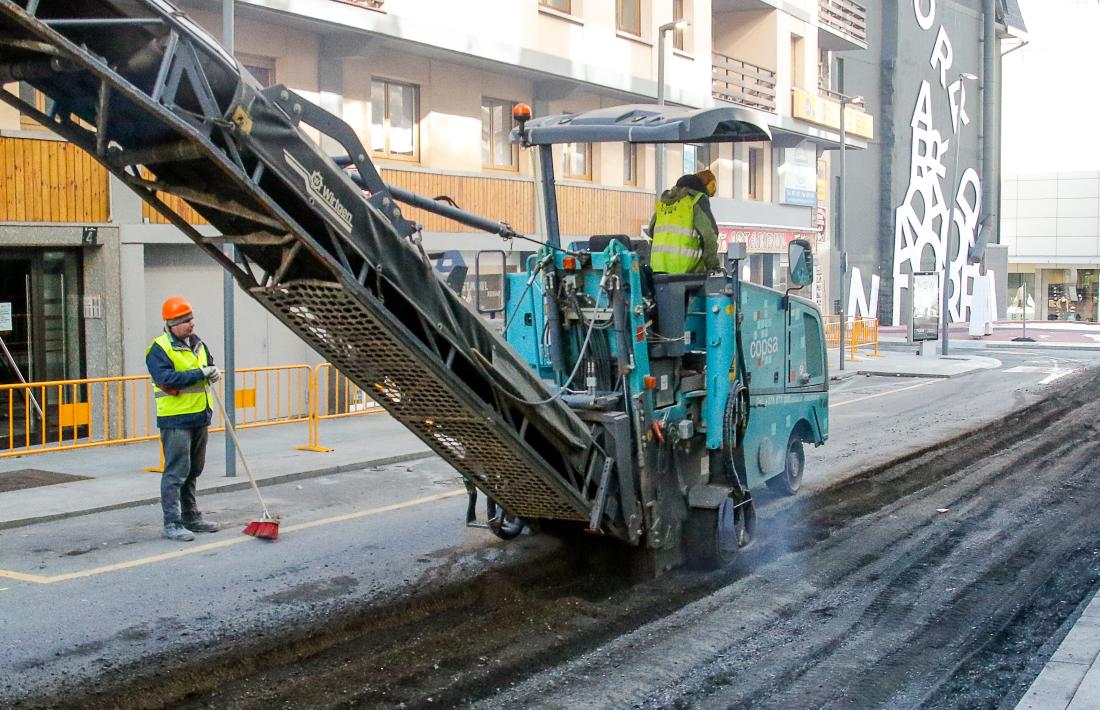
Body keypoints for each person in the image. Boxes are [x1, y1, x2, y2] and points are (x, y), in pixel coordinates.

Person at [146, 296, 222, 541]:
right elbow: (166, 379)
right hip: (176, 419)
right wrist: (199, 373)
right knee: (176, 472)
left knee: (194, 469)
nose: (191, 324)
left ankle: (191, 516)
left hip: (200, 415)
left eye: (191, 319)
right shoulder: (159, 349)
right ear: (171, 324)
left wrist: (212, 371)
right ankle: (172, 522)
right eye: (185, 321)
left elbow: (208, 365)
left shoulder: (198, 344)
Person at [648, 169, 720, 274]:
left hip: (658, 269)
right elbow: (709, 236)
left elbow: (651, 230)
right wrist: (713, 266)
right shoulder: (696, 200)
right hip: (685, 273)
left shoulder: (665, 201)